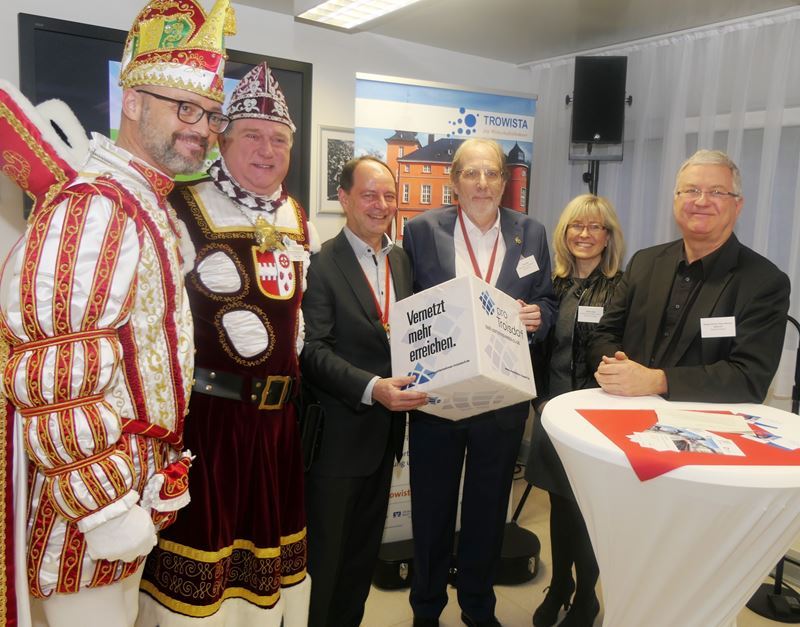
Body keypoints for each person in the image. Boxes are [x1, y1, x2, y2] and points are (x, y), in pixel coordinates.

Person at [0, 1, 235, 625]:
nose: (203, 127)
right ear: (132, 102)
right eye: (184, 108)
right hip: (86, 509)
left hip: (127, 487)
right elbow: (54, 378)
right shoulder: (97, 205)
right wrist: (105, 509)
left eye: (211, 113)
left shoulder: (145, 200)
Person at [138, 62, 314, 626]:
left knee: (267, 576)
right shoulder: (181, 206)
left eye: (280, 140)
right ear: (223, 139)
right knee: (202, 581)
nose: (267, 150)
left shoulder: (295, 215)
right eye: (253, 137)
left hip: (279, 425)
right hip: (211, 424)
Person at [402, 138, 557, 627]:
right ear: (454, 181)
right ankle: (426, 608)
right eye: (472, 173)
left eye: (492, 173)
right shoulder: (421, 231)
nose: (483, 183)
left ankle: (477, 606)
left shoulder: (530, 233)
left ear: (505, 181)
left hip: (501, 396)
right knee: (431, 508)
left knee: (488, 510)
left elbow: (548, 301)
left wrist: (540, 317)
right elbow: (407, 310)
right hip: (439, 397)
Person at [301, 156, 429, 627]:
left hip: (386, 439)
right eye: (369, 195)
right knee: (324, 565)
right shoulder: (320, 264)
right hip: (337, 444)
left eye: (389, 196)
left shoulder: (400, 259)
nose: (381, 206)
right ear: (345, 199)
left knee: (359, 564)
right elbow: (311, 351)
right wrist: (372, 388)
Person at [590, 149, 790, 403]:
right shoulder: (644, 262)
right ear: (675, 200)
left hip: (703, 429)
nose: (702, 201)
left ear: (738, 205)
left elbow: (749, 377)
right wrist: (616, 366)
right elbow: (604, 334)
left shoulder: (764, 282)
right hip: (625, 412)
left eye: (717, 192)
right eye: (692, 190)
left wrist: (657, 380)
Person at [525, 195, 625, 627]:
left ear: (608, 236)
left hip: (597, 420)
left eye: (595, 227)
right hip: (552, 412)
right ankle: (561, 583)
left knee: (587, 512)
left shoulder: (623, 286)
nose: (584, 235)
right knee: (559, 507)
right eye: (575, 227)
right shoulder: (553, 285)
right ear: (564, 234)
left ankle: (587, 597)